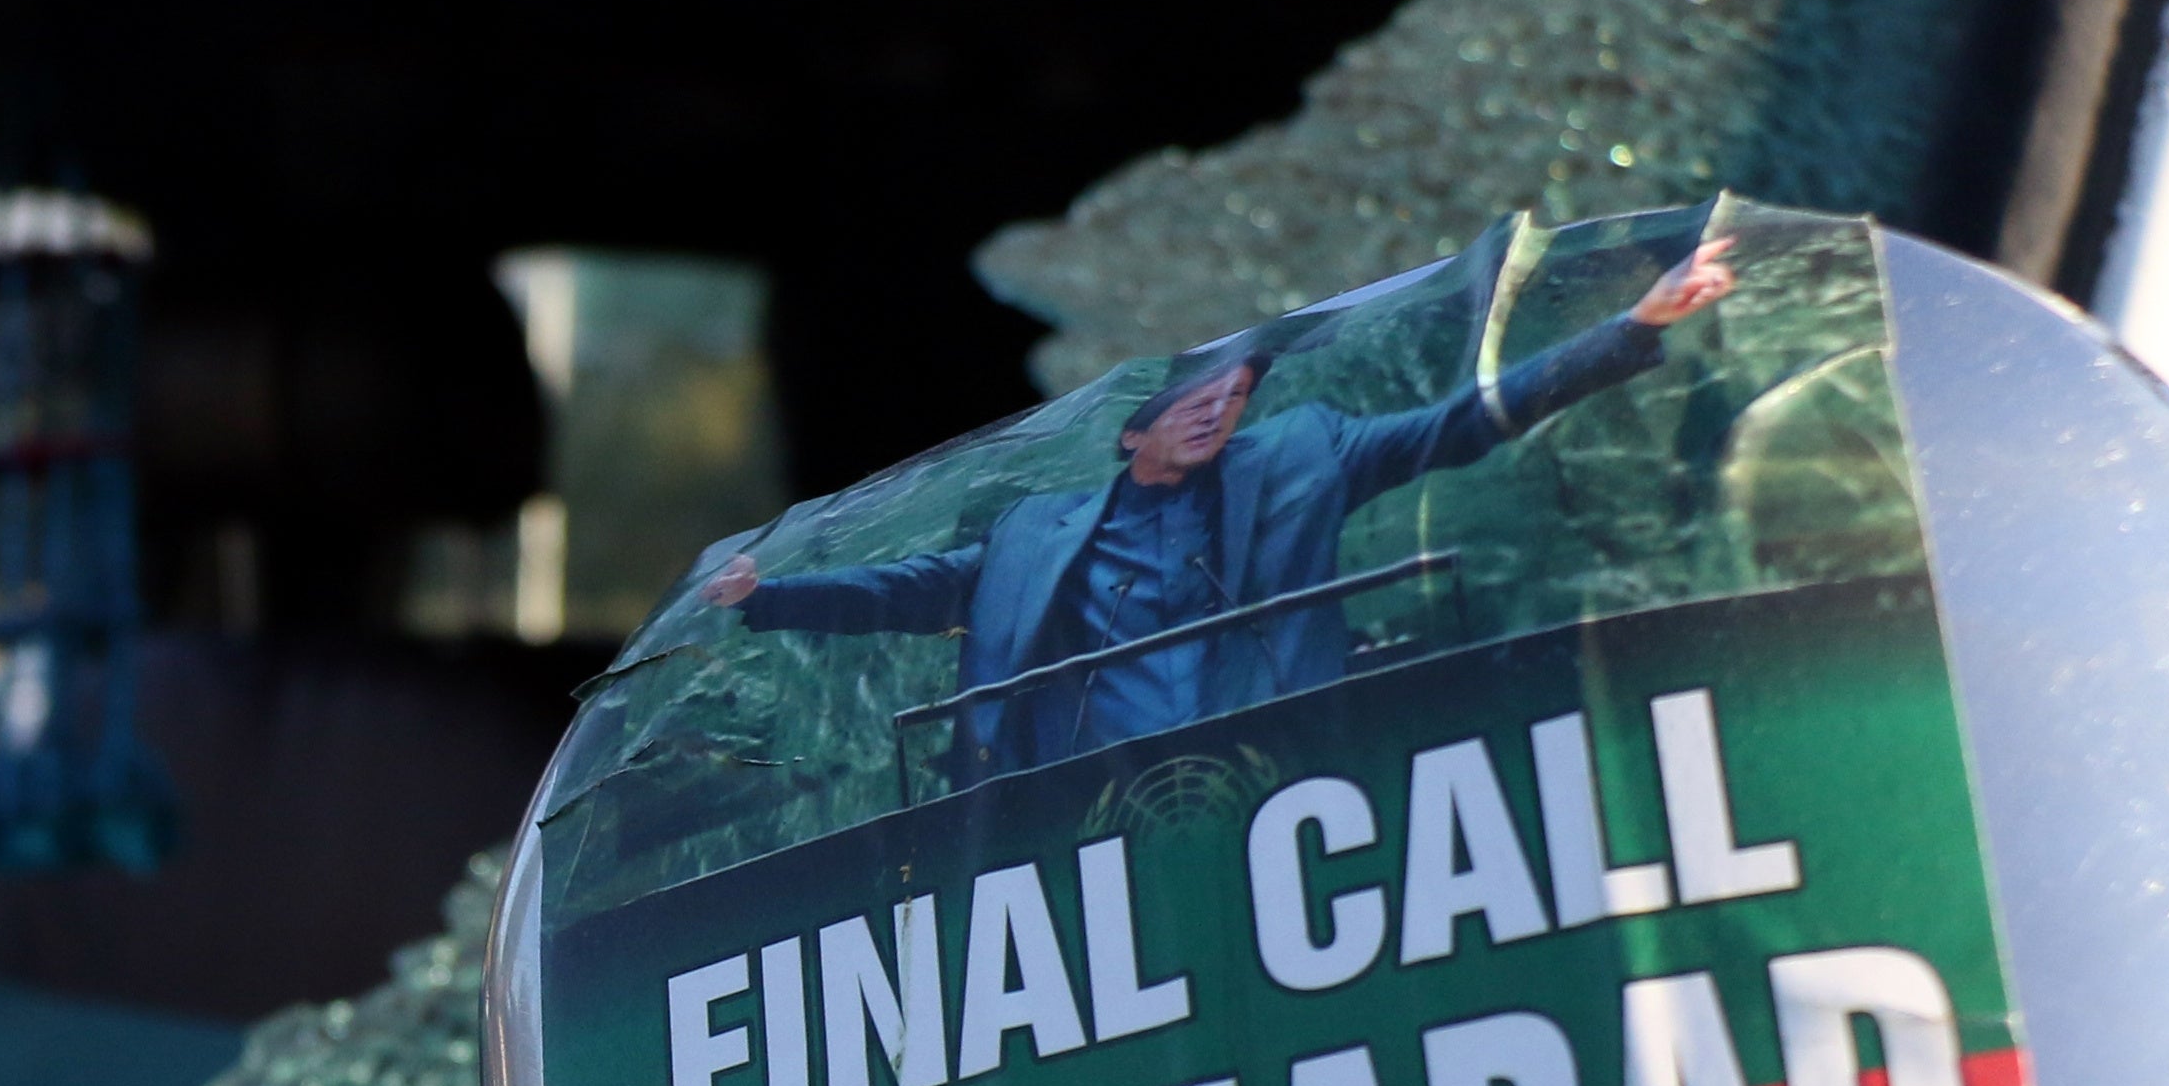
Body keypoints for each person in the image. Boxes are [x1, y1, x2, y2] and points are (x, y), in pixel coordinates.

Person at [710, 223, 1742, 774]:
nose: (1220, 412)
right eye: (1195, 399)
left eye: (1235, 395)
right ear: (1131, 432)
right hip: (1086, 825)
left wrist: (1631, 327)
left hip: (1288, 785)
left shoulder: (1302, 458)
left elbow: (1462, 423)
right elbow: (908, 591)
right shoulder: (1036, 534)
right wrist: (763, 595)